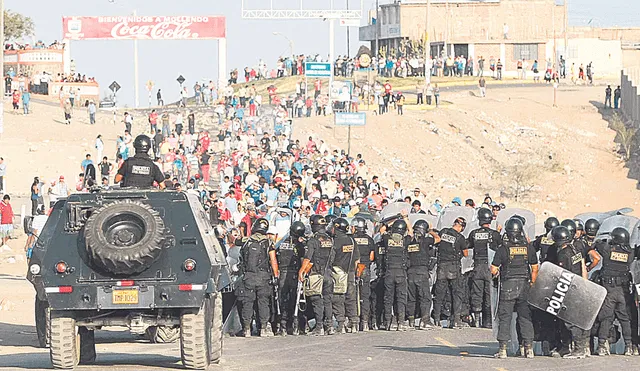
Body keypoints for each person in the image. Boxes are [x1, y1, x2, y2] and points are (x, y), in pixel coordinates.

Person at [490, 217, 539, 359]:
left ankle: (503, 349)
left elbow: (493, 269)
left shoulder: (503, 249)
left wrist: (497, 273)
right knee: (525, 317)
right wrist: (532, 284)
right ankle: (529, 349)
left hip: (507, 287)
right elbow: (535, 268)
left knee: (505, 318)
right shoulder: (528, 248)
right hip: (524, 286)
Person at [236, 218, 280, 337]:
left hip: (248, 276)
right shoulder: (269, 242)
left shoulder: (246, 241)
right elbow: (273, 261)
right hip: (263, 277)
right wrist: (276, 276)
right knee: (263, 302)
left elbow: (236, 242)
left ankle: (246, 329)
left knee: (247, 303)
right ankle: (264, 328)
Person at [594, 227, 634, 356]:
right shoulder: (630, 254)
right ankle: (629, 346)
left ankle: (601, 345)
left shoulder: (607, 250)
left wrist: (607, 240)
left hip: (609, 290)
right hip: (623, 291)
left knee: (606, 318)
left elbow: (598, 244)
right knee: (625, 320)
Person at [552, 225, 590, 358]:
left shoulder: (563, 253)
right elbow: (582, 266)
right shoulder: (574, 249)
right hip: (578, 285)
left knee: (570, 320)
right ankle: (570, 347)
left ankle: (579, 349)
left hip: (570, 288)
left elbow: (564, 274)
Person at [298, 215, 335, 335]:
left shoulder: (313, 240)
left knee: (316, 300)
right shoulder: (330, 240)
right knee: (328, 300)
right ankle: (329, 326)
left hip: (316, 274)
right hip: (328, 273)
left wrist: (302, 271)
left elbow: (308, 258)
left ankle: (319, 327)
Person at [467, 208, 501, 328]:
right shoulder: (495, 234)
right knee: (489, 293)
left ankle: (476, 319)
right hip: (490, 267)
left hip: (477, 266)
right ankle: (488, 321)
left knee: (477, 292)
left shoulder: (473, 233)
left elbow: (467, 245)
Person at [433, 217, 468, 328]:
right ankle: (455, 320)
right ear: (461, 227)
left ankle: (436, 319)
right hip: (453, 267)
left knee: (439, 294)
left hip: (442, 267)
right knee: (456, 294)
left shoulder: (443, 232)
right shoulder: (460, 238)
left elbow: (437, 242)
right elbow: (466, 254)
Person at [379, 215, 411, 331]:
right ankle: (401, 322)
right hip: (401, 273)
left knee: (388, 298)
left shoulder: (388, 239)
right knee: (401, 298)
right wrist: (405, 218)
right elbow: (411, 232)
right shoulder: (405, 241)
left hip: (389, 272)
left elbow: (382, 229)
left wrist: (393, 219)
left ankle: (388, 322)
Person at [407, 220, 440, 329]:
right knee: (425, 297)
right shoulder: (426, 240)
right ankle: (425, 320)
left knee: (411, 298)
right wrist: (431, 231)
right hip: (422, 272)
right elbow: (438, 239)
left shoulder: (409, 241)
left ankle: (411, 321)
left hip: (410, 272)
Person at [329, 217, 360, 334]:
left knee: (338, 298)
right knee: (351, 299)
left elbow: (331, 259)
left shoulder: (335, 241)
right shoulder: (352, 240)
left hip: (337, 272)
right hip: (351, 272)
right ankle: (354, 322)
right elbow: (357, 259)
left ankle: (341, 323)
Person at [275, 221, 306, 335]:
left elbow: (275, 254)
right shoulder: (300, 245)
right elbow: (303, 259)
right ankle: (293, 325)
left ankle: (282, 325)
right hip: (294, 274)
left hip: (282, 273)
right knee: (294, 300)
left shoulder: (282, 242)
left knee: (282, 299)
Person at [351, 217, 375, 332]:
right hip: (365, 268)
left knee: (352, 296)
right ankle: (365, 322)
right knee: (365, 296)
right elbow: (371, 257)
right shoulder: (369, 240)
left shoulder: (351, 239)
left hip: (354, 269)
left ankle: (353, 322)